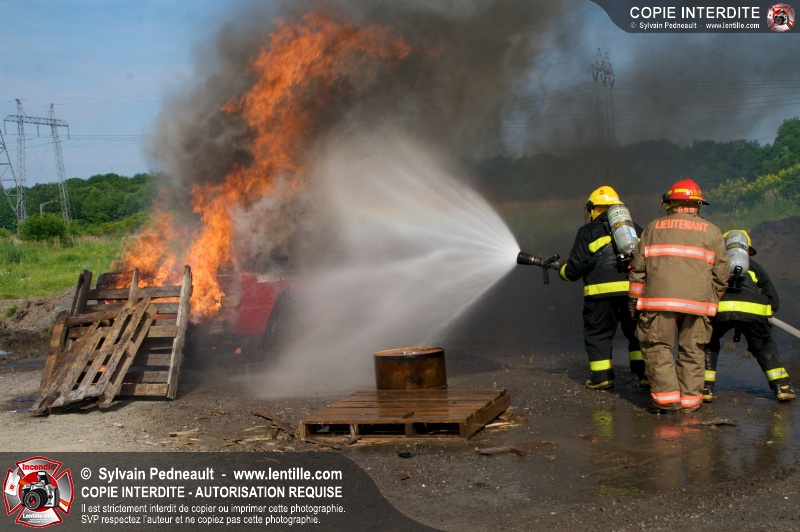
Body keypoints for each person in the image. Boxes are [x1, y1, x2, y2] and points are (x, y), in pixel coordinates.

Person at [628, 178, 728, 414]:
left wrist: (634, 299)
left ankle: (667, 401)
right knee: (693, 350)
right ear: (697, 204)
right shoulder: (713, 231)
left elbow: (638, 269)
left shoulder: (653, 228)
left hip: (658, 303)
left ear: (669, 203)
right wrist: (711, 300)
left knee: (657, 346)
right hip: (698, 305)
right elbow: (722, 274)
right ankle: (690, 404)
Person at [558, 185, 646, 390]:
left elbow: (573, 271)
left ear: (593, 208)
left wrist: (562, 270)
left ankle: (601, 378)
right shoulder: (637, 230)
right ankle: (645, 376)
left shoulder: (587, 232)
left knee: (598, 334)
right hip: (633, 292)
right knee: (638, 333)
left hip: (600, 295)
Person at [703, 230, 796, 402]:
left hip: (721, 309)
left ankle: (704, 388)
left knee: (708, 342)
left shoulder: (715, 264)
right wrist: (765, 315)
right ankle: (782, 387)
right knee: (763, 346)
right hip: (754, 310)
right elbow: (772, 297)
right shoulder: (754, 266)